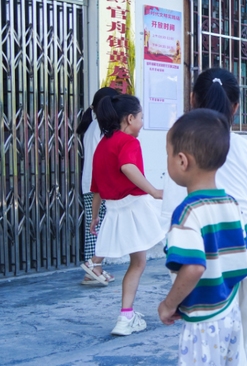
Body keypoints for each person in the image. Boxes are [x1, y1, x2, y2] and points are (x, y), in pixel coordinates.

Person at [161, 68, 247, 366]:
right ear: (235, 106)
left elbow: (177, 225)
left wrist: (171, 301)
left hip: (209, 264)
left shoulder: (182, 154)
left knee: (210, 346)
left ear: (192, 99)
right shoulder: (244, 146)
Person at [158, 109, 247, 366]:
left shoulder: (188, 212)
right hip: (230, 312)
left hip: (202, 321)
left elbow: (194, 267)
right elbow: (242, 248)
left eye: (167, 155)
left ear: (182, 161)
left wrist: (169, 304)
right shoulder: (232, 204)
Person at [84, 94, 167, 335]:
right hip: (136, 207)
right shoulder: (128, 142)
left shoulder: (102, 145)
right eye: (141, 118)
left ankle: (125, 317)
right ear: (130, 118)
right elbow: (128, 167)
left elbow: (96, 187)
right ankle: (187, 297)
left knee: (138, 262)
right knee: (174, 234)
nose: (142, 123)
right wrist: (153, 190)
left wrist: (94, 215)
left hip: (115, 211)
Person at [76, 87, 118, 286]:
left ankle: (94, 269)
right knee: (97, 226)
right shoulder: (99, 127)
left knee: (97, 226)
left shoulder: (94, 126)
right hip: (97, 185)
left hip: (93, 183)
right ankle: (92, 267)